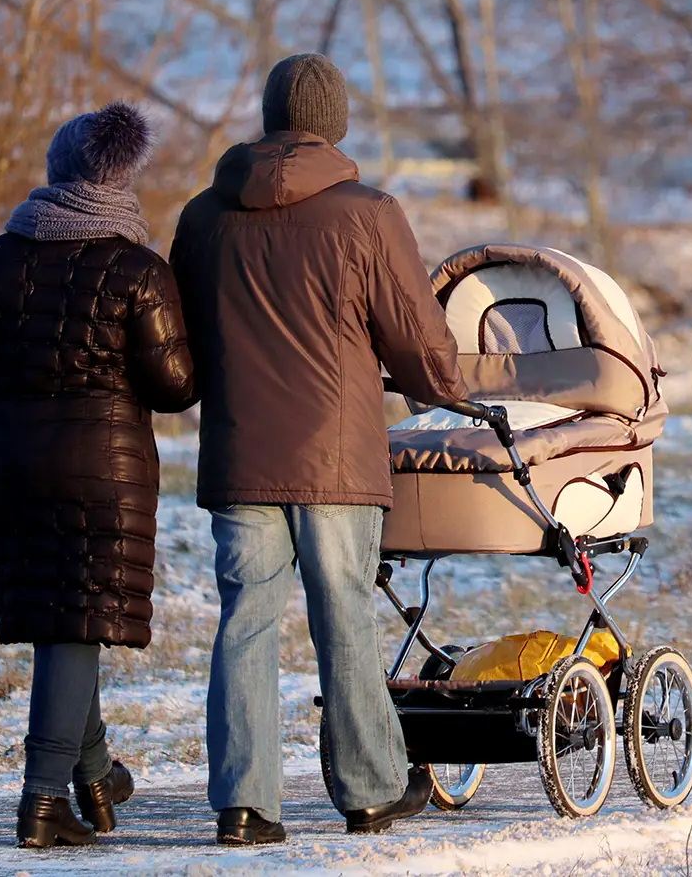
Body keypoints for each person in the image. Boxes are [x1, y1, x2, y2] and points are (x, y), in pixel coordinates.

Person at [169, 52, 468, 845]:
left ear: (270, 117)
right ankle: (369, 791)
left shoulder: (203, 217)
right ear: (335, 122)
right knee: (344, 619)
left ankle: (244, 804)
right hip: (336, 456)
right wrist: (448, 384)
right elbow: (418, 344)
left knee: (245, 622)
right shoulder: (368, 213)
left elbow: (184, 341)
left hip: (239, 452)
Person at [0, 102, 196, 848]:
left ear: (56, 174)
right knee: (75, 623)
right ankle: (44, 799)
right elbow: (176, 384)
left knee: (65, 618)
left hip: (12, 462)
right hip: (103, 470)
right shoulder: (137, 270)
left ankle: (96, 773)